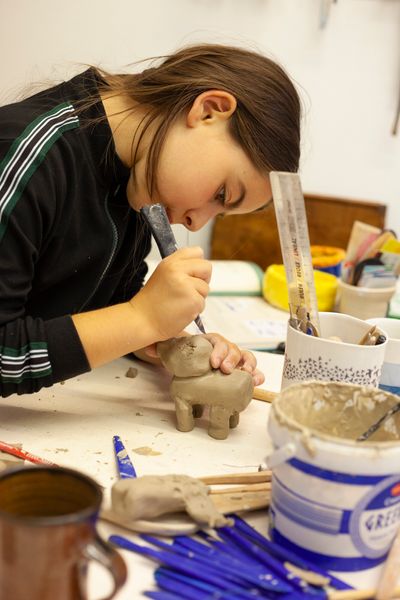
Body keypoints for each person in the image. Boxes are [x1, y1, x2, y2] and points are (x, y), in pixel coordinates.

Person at [0, 44, 301, 398]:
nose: (195, 224)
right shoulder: (25, 156)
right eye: (221, 194)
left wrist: (169, 340)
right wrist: (141, 319)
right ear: (209, 111)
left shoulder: (140, 177)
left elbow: (105, 304)